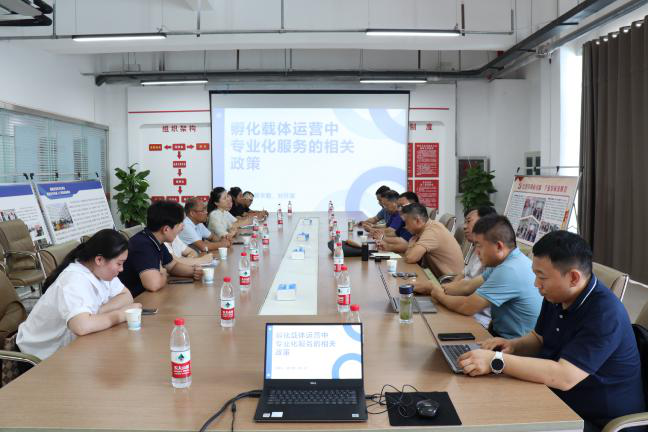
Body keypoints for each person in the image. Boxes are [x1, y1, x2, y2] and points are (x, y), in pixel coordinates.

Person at [457, 231, 646, 431]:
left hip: (598, 421)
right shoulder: (556, 295)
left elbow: (565, 377)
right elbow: (539, 339)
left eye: (542, 277)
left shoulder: (605, 313)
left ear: (573, 277)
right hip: (558, 399)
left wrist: (496, 361)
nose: (536, 284)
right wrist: (513, 346)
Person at [16, 229, 139, 360]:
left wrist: (99, 311)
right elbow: (82, 326)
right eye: (119, 263)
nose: (121, 269)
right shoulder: (73, 280)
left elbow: (126, 296)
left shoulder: (102, 271)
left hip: (71, 347)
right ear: (99, 259)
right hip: (39, 357)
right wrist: (121, 314)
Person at [417, 214, 542, 339]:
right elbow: (467, 286)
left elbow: (467, 306)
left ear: (499, 246)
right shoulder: (506, 261)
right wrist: (434, 287)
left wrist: (437, 294)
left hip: (512, 344)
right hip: (499, 335)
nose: (477, 252)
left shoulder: (509, 270)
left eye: (479, 245)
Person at [119, 200, 203, 297]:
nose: (182, 227)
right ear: (166, 229)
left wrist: (193, 271)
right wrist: (163, 273)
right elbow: (153, 285)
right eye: (180, 224)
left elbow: (172, 266)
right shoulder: (142, 245)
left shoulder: (155, 240)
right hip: (136, 300)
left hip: (149, 296)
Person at [441, 206, 497, 327]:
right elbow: (463, 275)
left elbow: (467, 291)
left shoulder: (496, 259)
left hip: (477, 319)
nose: (464, 226)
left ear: (485, 222)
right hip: (463, 307)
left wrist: (438, 293)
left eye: (468, 221)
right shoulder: (477, 247)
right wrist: (447, 291)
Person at [401, 203, 464, 278]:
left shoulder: (432, 231)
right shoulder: (431, 226)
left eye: (406, 222)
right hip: (437, 276)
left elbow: (410, 258)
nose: (405, 226)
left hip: (449, 281)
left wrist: (411, 244)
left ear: (417, 220)